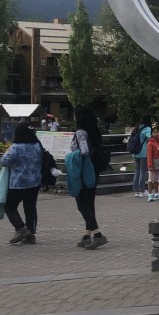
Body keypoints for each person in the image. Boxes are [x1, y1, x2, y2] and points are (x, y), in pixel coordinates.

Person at [65, 105, 107, 249]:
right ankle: (87, 235)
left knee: (82, 203)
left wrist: (70, 156)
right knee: (89, 203)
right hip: (93, 170)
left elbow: (84, 151)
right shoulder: (93, 132)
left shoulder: (80, 133)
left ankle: (98, 234)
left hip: (82, 171)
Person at [0, 123, 43, 245]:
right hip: (35, 182)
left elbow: (4, 161)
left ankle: (20, 228)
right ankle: (31, 234)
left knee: (9, 207)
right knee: (30, 208)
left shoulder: (16, 147)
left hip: (18, 183)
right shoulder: (37, 145)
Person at [132, 115, 152, 198]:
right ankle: (142, 190)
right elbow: (149, 138)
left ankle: (136, 191)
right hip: (143, 152)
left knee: (137, 172)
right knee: (143, 172)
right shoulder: (147, 129)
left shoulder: (137, 127)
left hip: (135, 152)